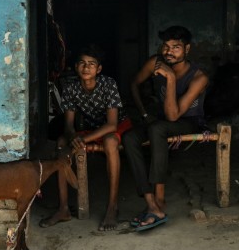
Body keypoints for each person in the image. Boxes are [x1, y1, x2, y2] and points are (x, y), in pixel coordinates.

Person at [124, 25, 208, 231]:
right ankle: (151, 203)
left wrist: (170, 78)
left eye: (176, 47)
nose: (168, 51)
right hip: (161, 121)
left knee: (157, 129)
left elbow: (174, 115)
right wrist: (144, 113)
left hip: (187, 122)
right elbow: (134, 83)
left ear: (187, 49)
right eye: (165, 46)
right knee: (129, 138)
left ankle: (159, 201)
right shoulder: (155, 62)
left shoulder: (199, 77)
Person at [39, 45, 132, 232]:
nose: (86, 67)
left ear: (98, 69)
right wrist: (73, 137)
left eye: (91, 64)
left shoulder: (108, 84)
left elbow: (112, 125)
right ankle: (63, 208)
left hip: (115, 124)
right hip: (91, 128)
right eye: (82, 63)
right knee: (61, 142)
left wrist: (85, 139)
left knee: (110, 141)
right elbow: (68, 125)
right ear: (76, 67)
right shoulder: (71, 89)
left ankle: (112, 206)